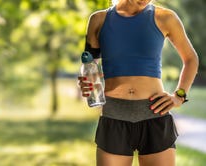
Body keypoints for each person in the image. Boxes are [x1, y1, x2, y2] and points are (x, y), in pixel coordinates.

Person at [78, 0, 199, 165]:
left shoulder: (165, 18)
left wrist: (179, 96)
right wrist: (86, 81)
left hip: (154, 114)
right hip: (114, 115)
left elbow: (191, 59)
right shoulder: (98, 20)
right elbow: (89, 64)